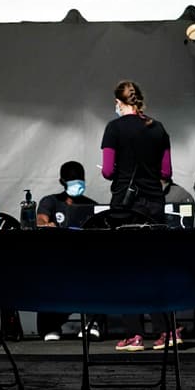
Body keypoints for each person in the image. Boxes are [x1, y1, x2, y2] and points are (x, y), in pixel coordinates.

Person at [100, 79, 175, 352]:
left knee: (127, 269)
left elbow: (108, 170)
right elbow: (166, 173)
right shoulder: (158, 128)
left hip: (125, 206)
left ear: (119, 103)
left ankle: (134, 336)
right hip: (154, 204)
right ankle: (167, 331)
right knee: (156, 268)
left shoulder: (114, 128)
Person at [35, 160, 102, 341]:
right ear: (62, 181)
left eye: (80, 180)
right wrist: (46, 225)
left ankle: (91, 322)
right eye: (72, 181)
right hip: (56, 259)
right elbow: (41, 219)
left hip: (83, 260)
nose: (77, 185)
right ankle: (51, 325)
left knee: (96, 273)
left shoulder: (91, 206)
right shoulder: (51, 201)